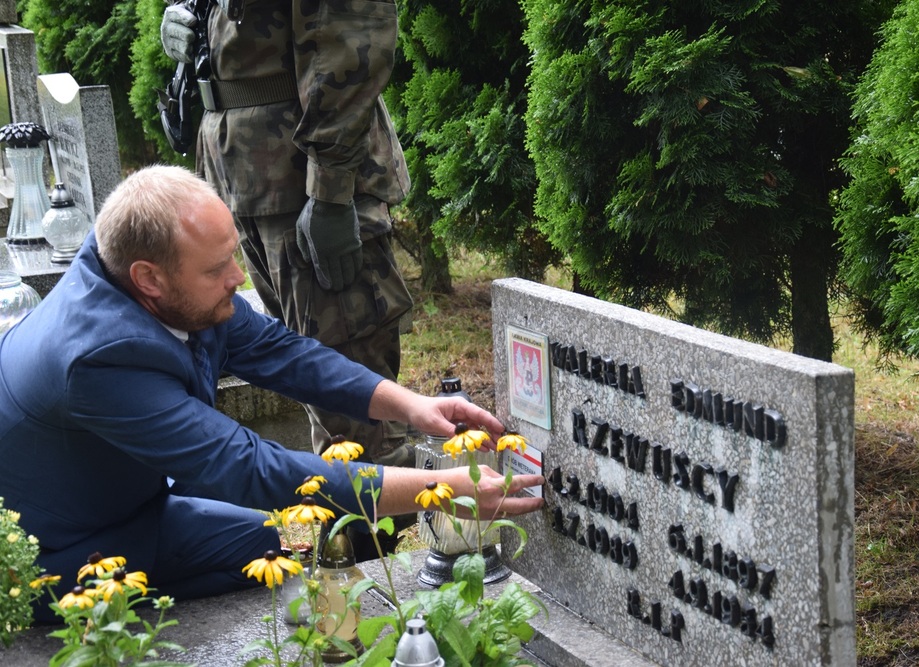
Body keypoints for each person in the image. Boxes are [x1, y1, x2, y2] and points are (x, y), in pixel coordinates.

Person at [0, 166, 544, 623]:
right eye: (218, 270)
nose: (238, 278)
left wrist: (409, 404)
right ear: (150, 279)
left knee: (291, 542)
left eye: (233, 255)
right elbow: (252, 468)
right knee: (285, 548)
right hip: (61, 553)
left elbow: (283, 353)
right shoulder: (97, 359)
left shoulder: (151, 280)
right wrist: (444, 487)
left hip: (133, 502)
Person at [159, 0, 415, 468]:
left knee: (353, 408)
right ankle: (351, 529)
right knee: (310, 377)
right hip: (245, 178)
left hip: (305, 183)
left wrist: (331, 191)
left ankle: (371, 539)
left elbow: (352, 39)